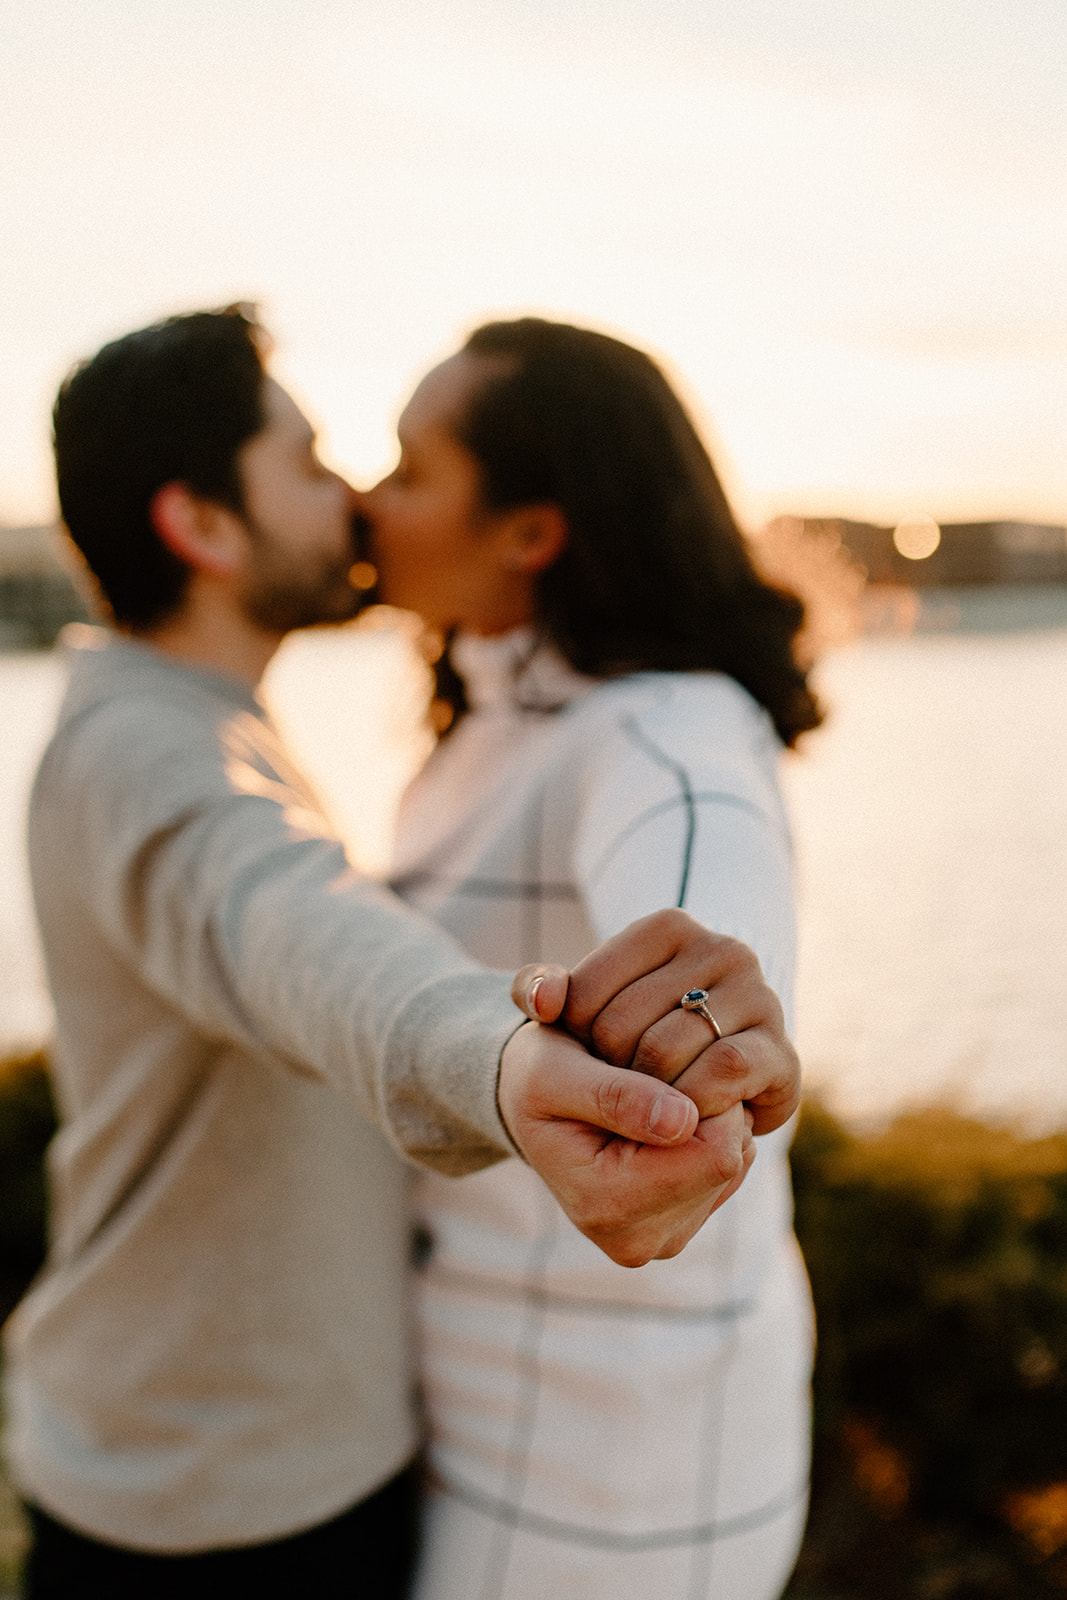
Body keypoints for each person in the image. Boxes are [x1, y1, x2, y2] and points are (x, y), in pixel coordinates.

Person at [3, 307, 801, 1599]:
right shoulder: (145, 758)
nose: (355, 501)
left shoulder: (215, 722)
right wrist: (498, 1055)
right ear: (202, 527)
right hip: (207, 1501)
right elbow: (284, 925)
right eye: (312, 466)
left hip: (296, 1460)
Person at [362, 316, 823, 1600]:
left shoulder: (663, 729)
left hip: (615, 1461)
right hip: (479, 1396)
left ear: (529, 533)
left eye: (406, 471)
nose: (365, 501)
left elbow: (699, 921)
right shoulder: (494, 718)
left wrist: (706, 1027)